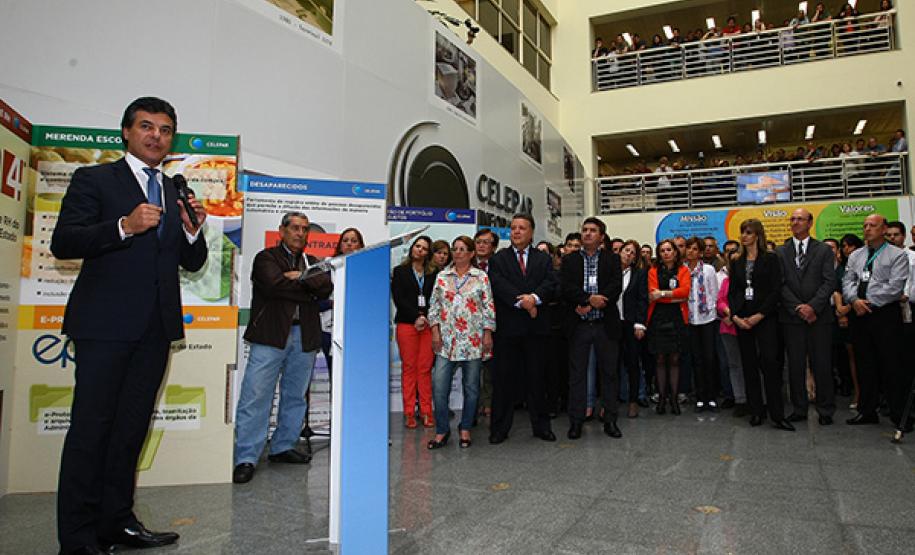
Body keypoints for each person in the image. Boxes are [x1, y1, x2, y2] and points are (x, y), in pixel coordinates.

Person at [51, 97, 208, 555]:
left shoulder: (173, 190)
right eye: (146, 126)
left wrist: (192, 229)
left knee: (130, 432)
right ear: (126, 132)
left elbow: (191, 261)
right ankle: (78, 540)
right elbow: (64, 242)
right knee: (91, 431)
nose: (156, 135)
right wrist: (123, 225)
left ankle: (116, 523)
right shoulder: (95, 179)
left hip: (155, 329)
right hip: (104, 325)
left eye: (164, 129)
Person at [233, 212, 333, 484]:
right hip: (271, 336)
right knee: (256, 395)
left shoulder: (313, 262)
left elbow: (325, 287)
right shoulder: (266, 258)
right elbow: (274, 285)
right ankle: (246, 457)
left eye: (304, 229)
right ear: (282, 231)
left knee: (295, 396)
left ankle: (283, 446)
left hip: (305, 336)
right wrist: (305, 284)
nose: (300, 233)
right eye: (295, 228)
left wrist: (300, 277)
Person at [488, 214, 558, 443]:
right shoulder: (499, 258)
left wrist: (535, 298)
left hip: (536, 331)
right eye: (513, 228)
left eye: (522, 228)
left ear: (531, 232)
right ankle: (499, 429)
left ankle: (541, 427)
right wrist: (523, 302)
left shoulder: (543, 258)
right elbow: (498, 284)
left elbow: (550, 283)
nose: (516, 232)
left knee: (538, 380)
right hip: (508, 330)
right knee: (504, 381)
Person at [427, 236, 496, 449]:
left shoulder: (481, 277)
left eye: (462, 249)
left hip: (473, 341)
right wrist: (435, 333)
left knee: (472, 388)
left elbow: (488, 307)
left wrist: (487, 333)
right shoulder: (441, 277)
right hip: (446, 342)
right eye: (454, 248)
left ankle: (465, 427)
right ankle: (441, 430)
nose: (457, 252)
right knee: (439, 387)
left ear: (471, 253)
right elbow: (434, 308)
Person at [843, 215, 910, 428]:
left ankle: (899, 414)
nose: (867, 229)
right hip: (859, 315)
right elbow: (848, 280)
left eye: (873, 226)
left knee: (891, 364)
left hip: (884, 315)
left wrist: (868, 302)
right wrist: (854, 300)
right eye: (865, 226)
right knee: (864, 364)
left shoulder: (897, 255)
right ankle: (867, 410)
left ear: (883, 229)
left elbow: (895, 287)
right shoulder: (856, 255)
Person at [561, 218, 624, 439]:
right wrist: (588, 299)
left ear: (601, 236)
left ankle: (611, 421)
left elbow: (616, 285)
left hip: (605, 325)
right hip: (579, 325)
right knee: (577, 375)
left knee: (609, 374)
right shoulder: (569, 260)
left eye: (592, 231)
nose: (587, 234)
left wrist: (600, 301)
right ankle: (576, 421)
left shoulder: (612, 259)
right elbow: (566, 287)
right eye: (584, 230)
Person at [728, 219, 793, 431]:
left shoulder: (770, 259)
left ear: (757, 235)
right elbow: (734, 292)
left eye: (748, 233)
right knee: (749, 366)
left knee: (770, 365)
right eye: (742, 233)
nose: (744, 236)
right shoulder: (737, 261)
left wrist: (760, 314)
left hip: (765, 319)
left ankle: (777, 414)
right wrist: (736, 316)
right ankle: (756, 411)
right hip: (743, 320)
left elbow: (776, 290)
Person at [777, 209, 837, 425]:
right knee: (795, 364)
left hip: (819, 318)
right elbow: (780, 284)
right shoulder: (781, 251)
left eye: (800, 219)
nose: (795, 222)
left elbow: (829, 282)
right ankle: (799, 408)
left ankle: (826, 409)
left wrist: (812, 307)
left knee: (822, 364)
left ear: (810, 223)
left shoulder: (823, 250)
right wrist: (798, 308)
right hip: (792, 318)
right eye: (792, 219)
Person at [304, 227, 364, 439]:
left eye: (354, 241)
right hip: (326, 329)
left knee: (352, 380)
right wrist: (332, 303)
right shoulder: (327, 268)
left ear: (361, 245)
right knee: (322, 378)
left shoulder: (366, 271)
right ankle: (310, 424)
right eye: (345, 240)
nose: (349, 244)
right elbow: (314, 301)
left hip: (356, 332)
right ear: (339, 245)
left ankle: (350, 424)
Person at [391, 236, 437, 428]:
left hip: (427, 325)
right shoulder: (400, 271)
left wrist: (424, 318)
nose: (420, 250)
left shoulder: (434, 274)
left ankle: (426, 411)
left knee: (424, 369)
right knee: (409, 368)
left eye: (424, 248)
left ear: (428, 253)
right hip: (407, 324)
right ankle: (409, 412)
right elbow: (399, 298)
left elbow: (436, 298)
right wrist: (415, 317)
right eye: (417, 246)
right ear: (412, 248)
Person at [646, 239, 690, 415]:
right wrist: (674, 296)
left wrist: (663, 294)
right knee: (660, 359)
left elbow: (686, 292)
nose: (666, 253)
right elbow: (652, 294)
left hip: (677, 318)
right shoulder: (653, 271)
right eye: (662, 250)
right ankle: (662, 397)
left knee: (674, 359)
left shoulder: (683, 270)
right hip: (657, 318)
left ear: (675, 252)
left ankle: (674, 398)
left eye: (669, 250)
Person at [684, 237, 720, 412]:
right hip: (690, 319)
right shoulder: (681, 270)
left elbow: (714, 292)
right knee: (696, 359)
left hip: (708, 319)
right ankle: (700, 396)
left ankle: (711, 396)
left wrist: (711, 310)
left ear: (700, 252)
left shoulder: (709, 269)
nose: (691, 251)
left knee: (709, 358)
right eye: (688, 248)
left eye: (694, 249)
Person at [618, 240, 648, 418]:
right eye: (626, 250)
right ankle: (610, 402)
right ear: (620, 252)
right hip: (612, 323)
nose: (629, 254)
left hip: (631, 324)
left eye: (633, 253)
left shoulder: (639, 274)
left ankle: (633, 401)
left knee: (633, 363)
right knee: (611, 365)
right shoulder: (610, 272)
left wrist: (640, 324)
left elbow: (642, 299)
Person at [716, 253, 748, 416]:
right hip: (728, 327)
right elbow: (720, 301)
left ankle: (756, 399)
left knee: (751, 364)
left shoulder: (749, 282)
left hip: (747, 326)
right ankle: (740, 399)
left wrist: (735, 315)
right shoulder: (726, 281)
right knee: (734, 365)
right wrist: (729, 313)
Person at [473, 228, 499, 417]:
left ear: (494, 247)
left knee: (491, 366)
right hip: (469, 323)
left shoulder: (499, 265)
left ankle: (489, 401)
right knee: (472, 368)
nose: (481, 245)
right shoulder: (464, 264)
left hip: (495, 321)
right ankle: (473, 403)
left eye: (486, 242)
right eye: (478, 241)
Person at [835, 234, 863, 407]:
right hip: (845, 315)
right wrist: (841, 309)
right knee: (851, 356)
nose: (847, 249)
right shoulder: (842, 268)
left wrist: (850, 306)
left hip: (861, 311)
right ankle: (858, 393)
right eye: (844, 246)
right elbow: (837, 289)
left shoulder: (863, 263)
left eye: (850, 246)